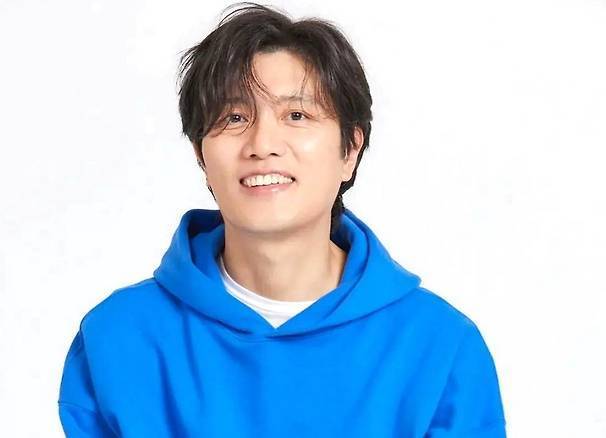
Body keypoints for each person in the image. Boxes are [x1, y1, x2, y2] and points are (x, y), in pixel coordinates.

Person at [57, 3, 506, 437]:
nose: (263, 144)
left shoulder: (440, 346)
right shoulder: (117, 337)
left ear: (350, 150)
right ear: (200, 154)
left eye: (296, 115)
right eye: (235, 117)